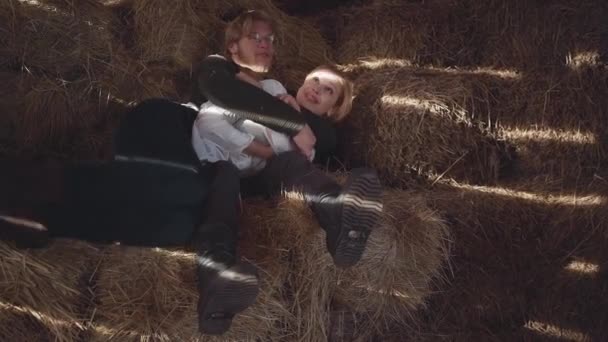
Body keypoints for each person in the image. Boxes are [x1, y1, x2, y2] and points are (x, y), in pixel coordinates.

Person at [188, 9, 383, 334]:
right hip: (229, 165)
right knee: (223, 186)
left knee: (293, 166)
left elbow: (298, 154)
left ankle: (338, 215)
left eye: (328, 91)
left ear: (334, 109)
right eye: (315, 81)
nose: (317, 89)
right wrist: (284, 120)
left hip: (266, 173)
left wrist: (290, 126)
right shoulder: (268, 91)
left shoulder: (320, 130)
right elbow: (216, 118)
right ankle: (216, 278)